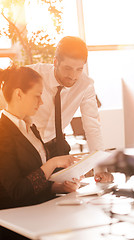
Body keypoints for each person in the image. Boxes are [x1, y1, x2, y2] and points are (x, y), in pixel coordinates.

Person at [27, 36, 114, 183]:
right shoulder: (33, 75)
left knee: (66, 191)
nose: (73, 76)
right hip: (29, 146)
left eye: (79, 69)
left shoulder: (86, 85)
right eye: (67, 68)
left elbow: (92, 126)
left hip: (57, 146)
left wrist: (100, 167)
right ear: (55, 62)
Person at [0, 65, 81, 210]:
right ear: (19, 94)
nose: (41, 102)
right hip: (17, 219)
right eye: (37, 96)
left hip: (41, 209)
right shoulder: (2, 133)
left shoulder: (30, 128)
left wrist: (59, 187)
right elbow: (17, 191)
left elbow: (35, 179)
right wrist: (53, 163)